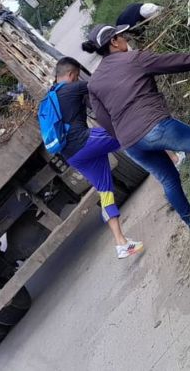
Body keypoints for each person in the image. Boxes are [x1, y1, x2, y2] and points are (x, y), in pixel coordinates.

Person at [81, 23, 190, 229]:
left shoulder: (94, 83)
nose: (126, 38)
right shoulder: (134, 58)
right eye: (122, 36)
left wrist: (125, 138)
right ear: (114, 42)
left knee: (169, 179)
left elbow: (104, 119)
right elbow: (173, 62)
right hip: (154, 125)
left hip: (130, 143)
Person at [49, 58, 144, 259]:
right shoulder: (69, 89)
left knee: (105, 192)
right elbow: (99, 82)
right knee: (129, 130)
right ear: (72, 75)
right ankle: (175, 157)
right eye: (76, 77)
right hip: (84, 143)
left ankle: (121, 244)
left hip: (72, 156)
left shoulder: (50, 97)